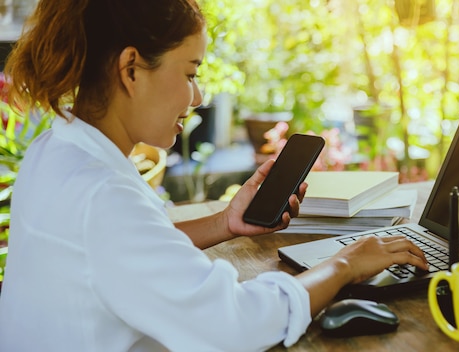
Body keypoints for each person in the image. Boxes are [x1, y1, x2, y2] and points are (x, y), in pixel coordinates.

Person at [0, 1, 428, 351]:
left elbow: (119, 252)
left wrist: (225, 222)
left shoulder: (57, 150)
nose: (199, 96)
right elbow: (238, 325)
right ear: (130, 68)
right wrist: (346, 264)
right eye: (189, 73)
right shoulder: (101, 195)